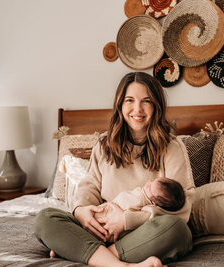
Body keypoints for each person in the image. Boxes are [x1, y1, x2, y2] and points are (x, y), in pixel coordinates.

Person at [34, 72, 195, 267]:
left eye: (147, 101)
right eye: (129, 100)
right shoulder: (104, 144)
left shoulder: (172, 147)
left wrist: (127, 220)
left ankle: (94, 256)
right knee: (46, 218)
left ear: (157, 106)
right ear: (120, 104)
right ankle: (120, 264)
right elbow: (90, 186)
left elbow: (183, 208)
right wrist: (81, 211)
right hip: (103, 230)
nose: (138, 109)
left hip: (145, 232)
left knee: (177, 230)